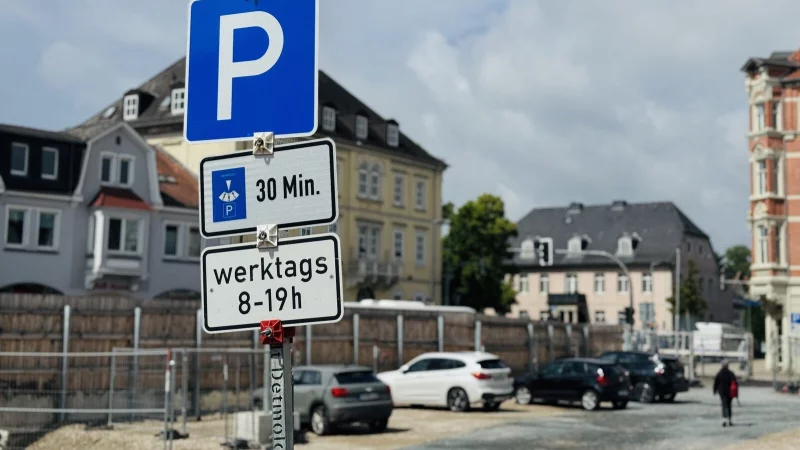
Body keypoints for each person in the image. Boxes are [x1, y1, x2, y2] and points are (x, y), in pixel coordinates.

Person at [712, 359, 738, 427]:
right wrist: (736, 394)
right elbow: (735, 383)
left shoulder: (719, 373)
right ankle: (729, 419)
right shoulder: (731, 373)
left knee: (724, 405)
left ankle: (724, 419)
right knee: (729, 406)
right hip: (730, 392)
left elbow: (716, 382)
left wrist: (714, 390)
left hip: (722, 392)